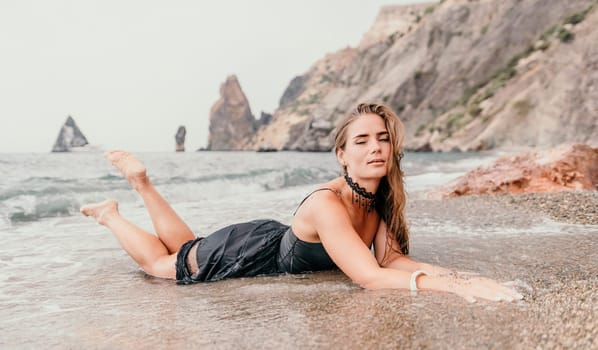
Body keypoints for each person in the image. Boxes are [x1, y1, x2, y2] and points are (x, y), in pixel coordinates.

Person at [80, 103, 523, 303]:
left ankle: (143, 186)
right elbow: (370, 278)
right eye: (362, 140)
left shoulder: (380, 198)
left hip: (266, 240)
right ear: (341, 155)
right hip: (249, 252)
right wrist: (458, 289)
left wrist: (467, 277)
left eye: (383, 139)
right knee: (163, 267)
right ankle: (112, 213)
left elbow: (392, 260)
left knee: (186, 249)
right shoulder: (327, 203)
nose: (375, 148)